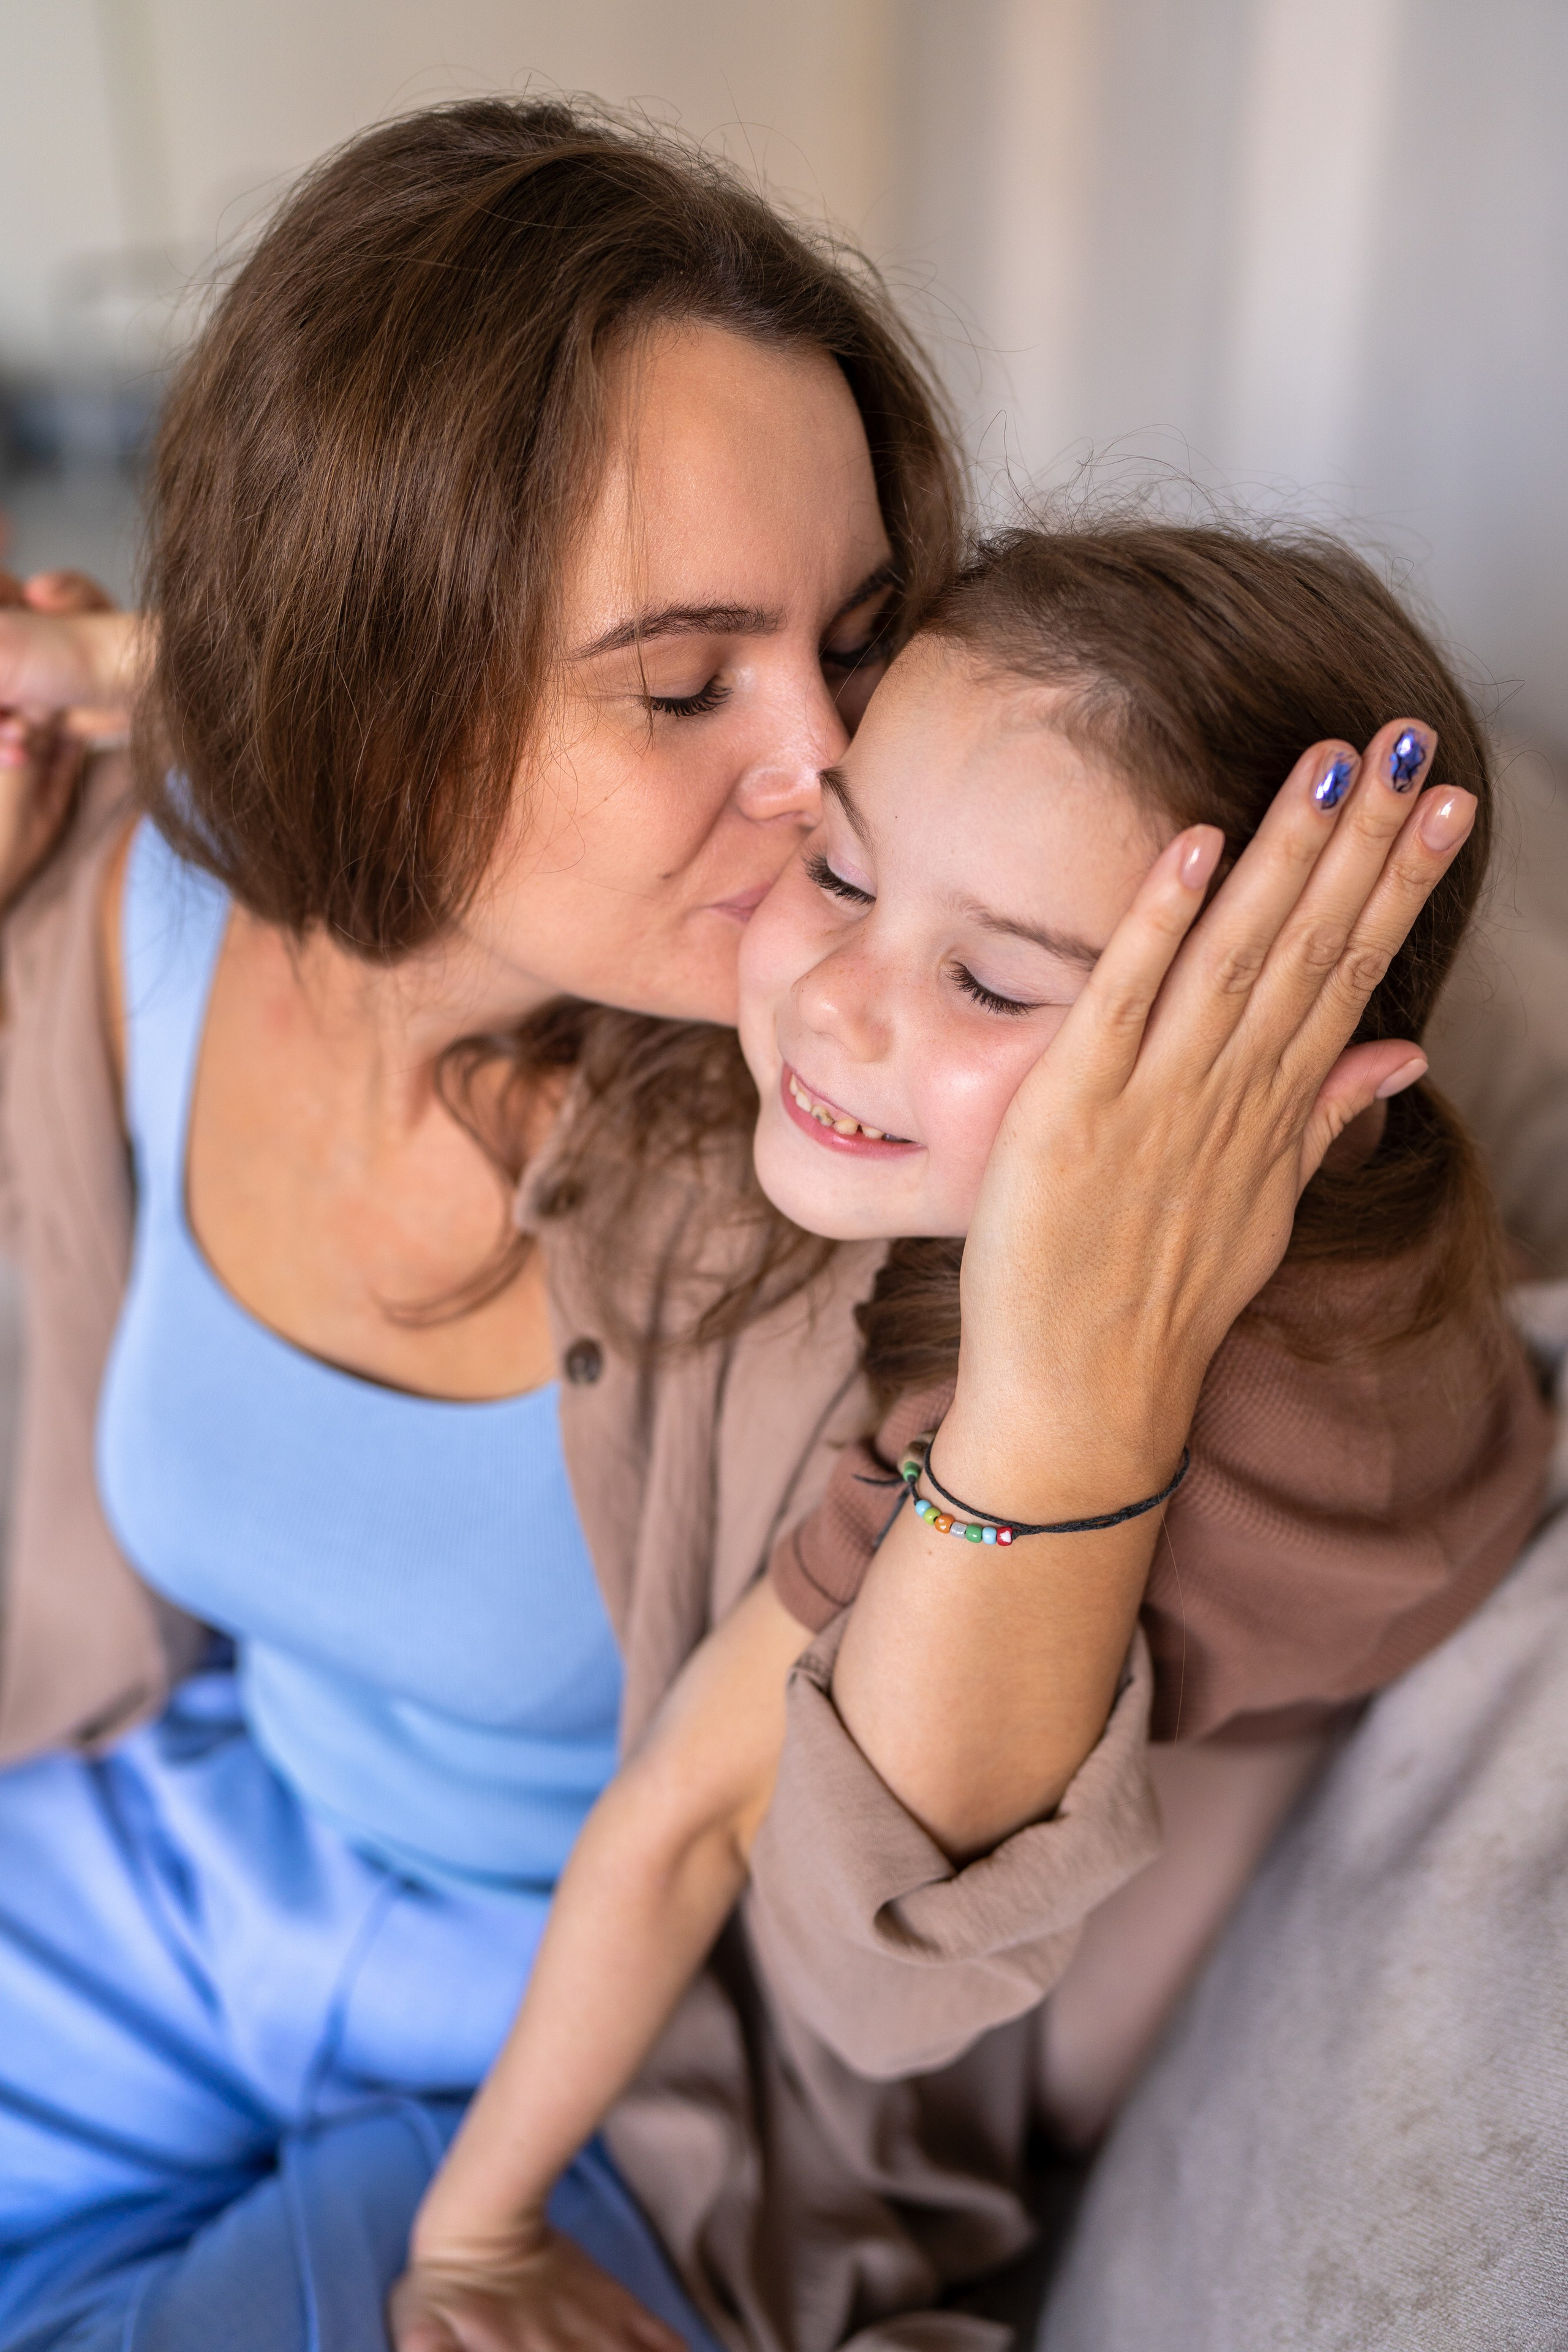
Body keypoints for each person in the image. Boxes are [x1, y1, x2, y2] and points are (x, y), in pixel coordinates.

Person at [0, 96, 1536, 2352]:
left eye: (865, 639)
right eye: (684, 680)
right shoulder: (133, 895)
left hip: (631, 2090)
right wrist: (138, 677)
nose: (837, 767)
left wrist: (1071, 1394)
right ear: (380, 669)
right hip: (173, 1874)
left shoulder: (887, 1152)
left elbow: (870, 1954)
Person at [383, 519, 1548, 2352]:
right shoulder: (1365, 1187)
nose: (837, 1000)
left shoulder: (986, 1441)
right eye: (839, 870)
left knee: (1064, 2086)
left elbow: (681, 1820)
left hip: (1239, 1761)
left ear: (1299, 1067)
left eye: (994, 983)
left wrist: (473, 2230)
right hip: (1297, 1667)